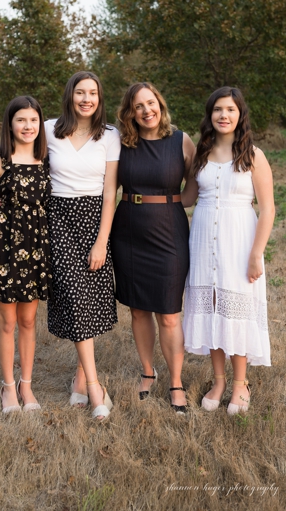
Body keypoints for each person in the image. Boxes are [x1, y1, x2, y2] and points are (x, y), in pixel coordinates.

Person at [182, 87, 274, 416]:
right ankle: (218, 381)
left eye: (230, 110)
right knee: (212, 307)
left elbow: (268, 209)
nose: (224, 115)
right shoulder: (202, 155)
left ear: (240, 115)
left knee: (236, 310)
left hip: (240, 241)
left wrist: (255, 254)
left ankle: (240, 384)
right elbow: (187, 198)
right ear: (210, 115)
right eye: (218, 109)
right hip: (204, 239)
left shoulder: (253, 155)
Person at [110, 83, 193, 414]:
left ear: (160, 103)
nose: (146, 110)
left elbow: (199, 182)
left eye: (151, 103)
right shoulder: (122, 144)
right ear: (130, 113)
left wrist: (172, 204)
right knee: (139, 309)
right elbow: (102, 186)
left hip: (169, 234)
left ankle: (175, 381)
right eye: (138, 106)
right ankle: (147, 371)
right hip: (128, 232)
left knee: (170, 315)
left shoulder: (180, 140)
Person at [42, 72, 120, 420]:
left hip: (93, 220)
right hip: (57, 218)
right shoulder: (47, 129)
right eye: (80, 92)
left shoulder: (110, 136)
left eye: (93, 93)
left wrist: (102, 241)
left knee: (87, 298)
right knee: (73, 294)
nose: (86, 98)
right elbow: (15, 160)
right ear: (70, 95)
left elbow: (109, 194)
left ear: (100, 98)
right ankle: (94, 387)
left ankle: (78, 378)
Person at [0, 96, 51, 415]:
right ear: (10, 123)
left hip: (34, 249)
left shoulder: (44, 160)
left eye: (33, 120)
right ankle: (7, 388)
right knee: (7, 322)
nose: (28, 126)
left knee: (29, 320)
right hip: (3, 251)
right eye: (21, 120)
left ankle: (26, 385)